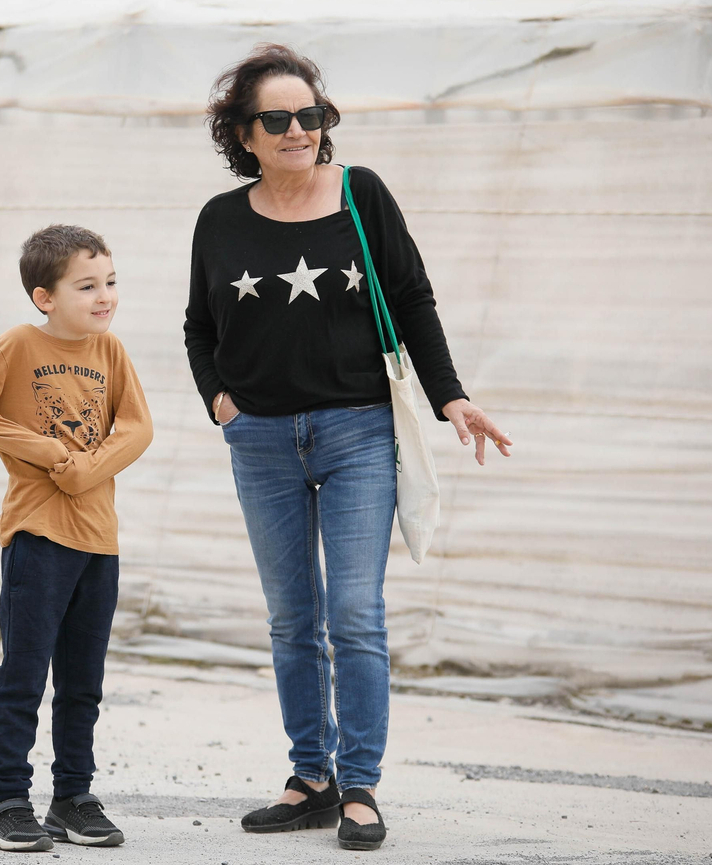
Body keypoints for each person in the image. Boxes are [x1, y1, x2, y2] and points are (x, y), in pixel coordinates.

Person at [183, 44, 510, 851]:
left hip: (359, 431)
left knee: (354, 614)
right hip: (259, 440)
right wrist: (219, 401)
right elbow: (198, 327)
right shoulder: (220, 219)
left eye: (312, 115)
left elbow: (412, 297)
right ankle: (312, 778)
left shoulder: (362, 193)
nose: (299, 130)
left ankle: (360, 784)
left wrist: (452, 396)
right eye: (279, 119)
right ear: (243, 132)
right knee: (293, 617)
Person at [0, 225, 154, 852]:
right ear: (45, 297)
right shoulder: (18, 345)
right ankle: (6, 801)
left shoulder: (110, 351)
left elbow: (138, 428)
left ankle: (72, 797)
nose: (104, 296)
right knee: (25, 673)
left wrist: (88, 467)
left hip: (99, 541)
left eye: (110, 282)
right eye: (86, 286)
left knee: (83, 679)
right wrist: (42, 450)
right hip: (37, 536)